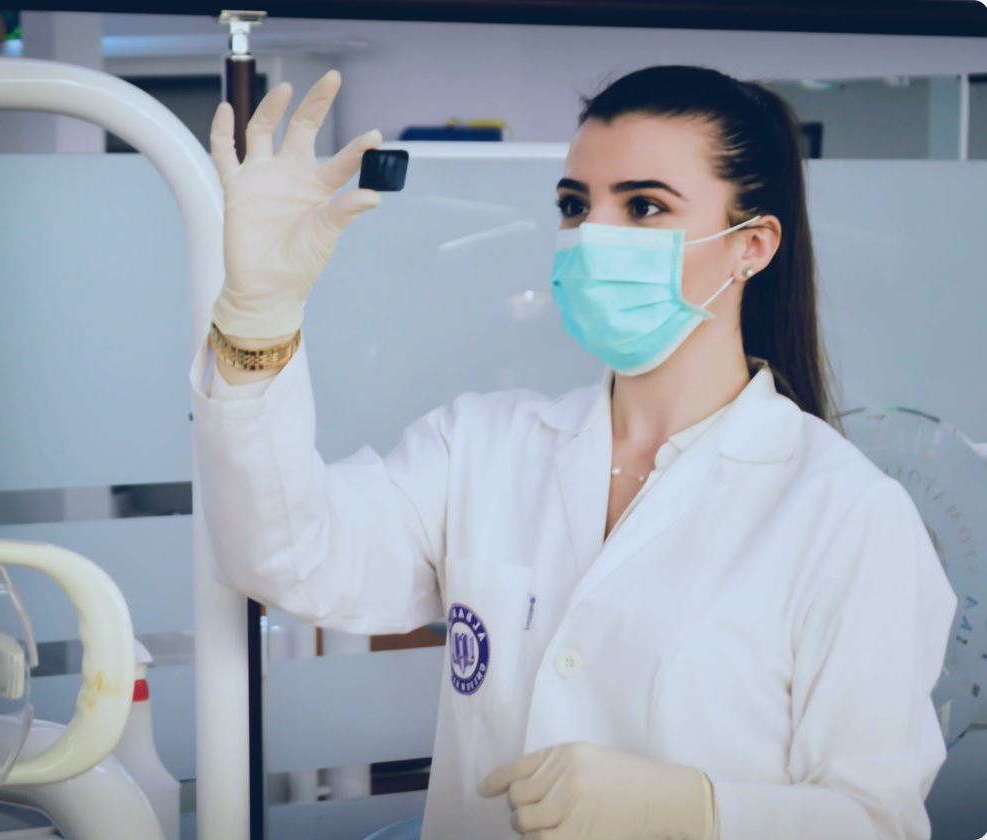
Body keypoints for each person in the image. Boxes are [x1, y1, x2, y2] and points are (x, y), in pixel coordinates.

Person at [189, 65, 956, 839]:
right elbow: (281, 554)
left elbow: (876, 820)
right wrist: (258, 321)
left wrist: (696, 813)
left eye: (645, 205)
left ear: (751, 246)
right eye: (574, 204)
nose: (593, 235)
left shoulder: (845, 514)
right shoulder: (482, 446)